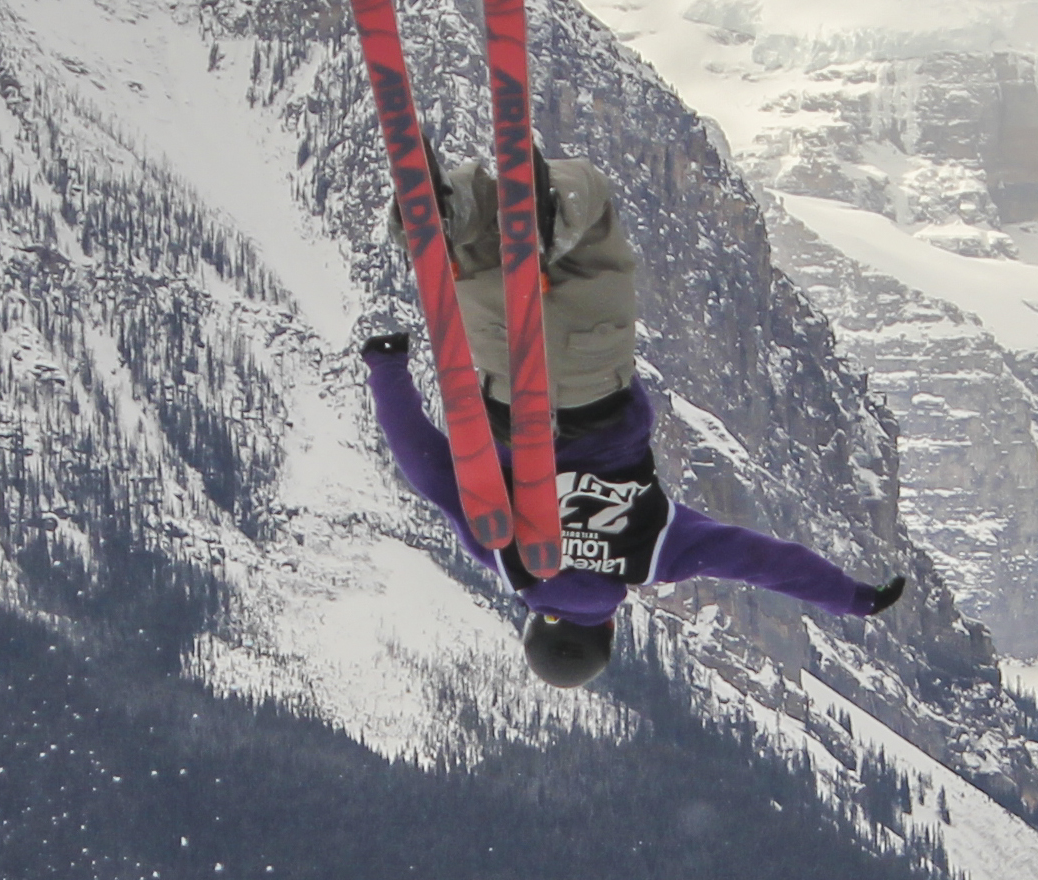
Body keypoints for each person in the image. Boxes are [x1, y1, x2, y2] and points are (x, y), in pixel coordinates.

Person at [363, 146, 904, 689]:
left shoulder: (651, 554)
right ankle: (457, 212)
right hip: (506, 379)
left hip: (594, 376)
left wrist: (852, 597)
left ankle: (549, 208)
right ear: (536, 625)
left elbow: (757, 560)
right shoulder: (500, 552)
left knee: (589, 224)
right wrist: (386, 367)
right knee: (478, 266)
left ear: (608, 628)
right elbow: (425, 467)